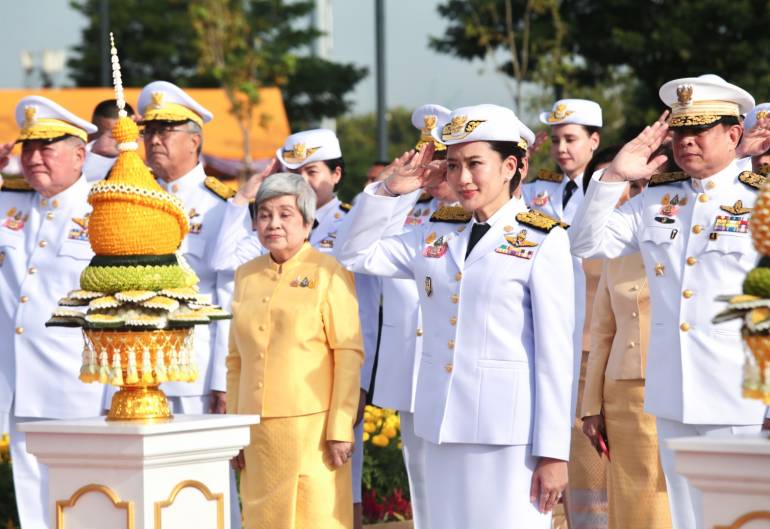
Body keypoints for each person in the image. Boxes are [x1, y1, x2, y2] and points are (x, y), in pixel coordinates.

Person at [336, 104, 575, 528]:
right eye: (454, 165)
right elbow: (353, 252)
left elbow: (556, 355)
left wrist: (554, 451)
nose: (463, 178)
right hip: (440, 422)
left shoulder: (542, 239)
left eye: (475, 164)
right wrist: (391, 191)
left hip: (508, 433)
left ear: (510, 166)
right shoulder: (435, 233)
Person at [569, 74, 768, 529]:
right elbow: (584, 244)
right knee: (686, 519)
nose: (686, 142)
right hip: (674, 394)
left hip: (744, 398)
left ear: (734, 134)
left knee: (745, 519)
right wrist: (614, 176)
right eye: (679, 131)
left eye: (699, 131)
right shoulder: (656, 199)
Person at [208, 129, 380, 528]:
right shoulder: (247, 275)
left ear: (307, 221)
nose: (273, 224)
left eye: (285, 215)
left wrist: (341, 427)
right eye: (265, 215)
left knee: (315, 518)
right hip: (258, 430)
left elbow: (348, 353)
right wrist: (235, 427)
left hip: (313, 430)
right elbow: (235, 360)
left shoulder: (328, 271)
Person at [136, 80, 241, 528]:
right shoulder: (134, 197)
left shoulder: (222, 206)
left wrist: (220, 378)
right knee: (146, 492)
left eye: (167, 131)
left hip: (193, 371)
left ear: (194, 140)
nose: (154, 140)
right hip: (138, 370)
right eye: (149, 132)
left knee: (203, 488)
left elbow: (227, 295)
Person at [0, 96, 104, 528]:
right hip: (19, 383)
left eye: (47, 147)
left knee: (86, 497)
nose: (34, 157)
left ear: (80, 154)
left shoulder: (104, 210)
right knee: (32, 499)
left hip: (79, 387)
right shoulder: (12, 204)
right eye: (28, 148)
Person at [365, 103, 455, 529]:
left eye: (441, 160)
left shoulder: (481, 220)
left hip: (459, 371)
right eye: (427, 159)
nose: (432, 169)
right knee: (420, 483)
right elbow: (361, 247)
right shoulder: (409, 214)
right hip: (411, 367)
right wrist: (401, 189)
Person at [524, 99, 607, 527]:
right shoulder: (536, 190)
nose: (561, 148)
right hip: (552, 331)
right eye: (555, 140)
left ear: (594, 141)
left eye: (571, 139)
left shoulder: (613, 187)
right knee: (568, 443)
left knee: (599, 450)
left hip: (597, 331)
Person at [580, 148, 673, 529]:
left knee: (672, 495)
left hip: (676, 384)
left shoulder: (687, 244)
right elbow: (602, 331)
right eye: (635, 185)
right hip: (624, 395)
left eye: (652, 184)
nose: (641, 194)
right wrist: (590, 407)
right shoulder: (619, 249)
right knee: (634, 497)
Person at [82, 98, 136, 182]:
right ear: (90, 134)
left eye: (118, 137)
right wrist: (96, 155)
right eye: (100, 136)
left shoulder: (145, 172)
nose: (105, 143)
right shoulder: (73, 163)